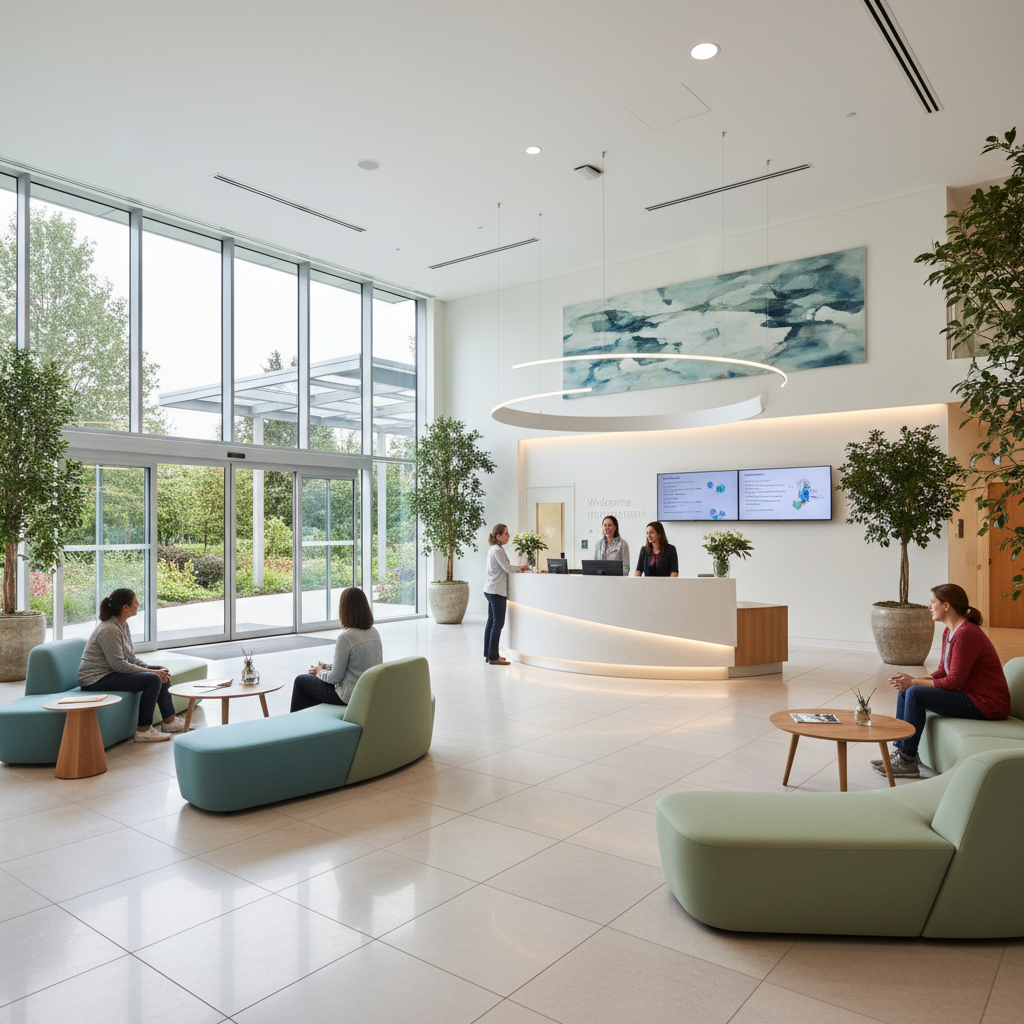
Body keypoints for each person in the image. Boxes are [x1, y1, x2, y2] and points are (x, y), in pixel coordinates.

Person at [875, 583, 1010, 778]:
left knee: (914, 692)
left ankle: (907, 760)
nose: (929, 606)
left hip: (988, 703)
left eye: (932, 602)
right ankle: (902, 753)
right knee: (906, 689)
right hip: (970, 694)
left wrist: (914, 682)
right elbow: (942, 671)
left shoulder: (966, 634)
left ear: (946, 606)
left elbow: (953, 682)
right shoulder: (950, 631)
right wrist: (911, 679)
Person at [78, 588, 182, 742]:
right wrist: (151, 674)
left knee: (161, 671)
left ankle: (169, 721)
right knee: (153, 679)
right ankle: (143, 730)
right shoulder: (109, 630)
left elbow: (130, 658)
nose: (138, 604)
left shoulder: (122, 625)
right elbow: (119, 665)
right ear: (125, 607)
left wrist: (152, 669)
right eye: (135, 602)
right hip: (95, 679)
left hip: (110, 673)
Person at [291, 587, 382, 712]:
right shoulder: (374, 632)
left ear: (344, 609)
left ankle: (297, 726)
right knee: (315, 683)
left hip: (348, 696)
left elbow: (335, 678)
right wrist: (327, 667)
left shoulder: (346, 637)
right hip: (367, 693)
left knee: (301, 681)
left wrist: (318, 671)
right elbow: (358, 664)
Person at [484, 522, 525, 665]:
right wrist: (521, 568)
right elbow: (507, 568)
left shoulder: (494, 549)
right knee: (498, 623)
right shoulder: (497, 550)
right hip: (497, 591)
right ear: (498, 536)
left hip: (491, 589)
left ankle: (489, 654)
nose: (508, 536)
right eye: (506, 533)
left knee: (491, 622)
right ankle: (494, 657)